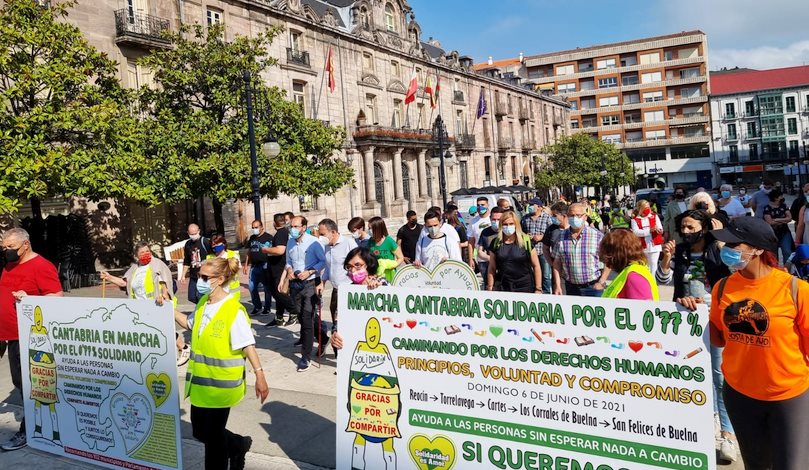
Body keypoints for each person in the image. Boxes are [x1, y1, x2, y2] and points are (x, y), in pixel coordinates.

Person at [676, 217, 809, 469]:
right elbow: (718, 337)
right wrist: (689, 310)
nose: (726, 250)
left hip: (788, 398)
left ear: (758, 249)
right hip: (740, 396)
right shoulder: (722, 288)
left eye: (734, 245)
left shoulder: (795, 289)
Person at [172, 257, 268, 470]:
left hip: (222, 385)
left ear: (221, 279)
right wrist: (169, 308)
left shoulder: (233, 310)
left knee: (213, 442)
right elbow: (189, 323)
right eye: (199, 276)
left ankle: (229, 452)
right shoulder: (203, 303)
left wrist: (260, 375)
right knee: (200, 432)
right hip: (201, 385)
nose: (200, 280)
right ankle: (236, 444)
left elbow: (247, 345)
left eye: (205, 277)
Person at [656, 209, 736, 462]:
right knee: (696, 376)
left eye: (692, 227)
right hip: (687, 322)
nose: (687, 232)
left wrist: (707, 301)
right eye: (684, 228)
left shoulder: (719, 250)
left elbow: (736, 279)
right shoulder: (679, 251)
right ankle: (707, 427)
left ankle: (727, 434)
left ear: (704, 227)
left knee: (720, 376)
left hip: (717, 320)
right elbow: (663, 280)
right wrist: (666, 259)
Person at [0, 228, 63, 451]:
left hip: (24, 337)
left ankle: (28, 431)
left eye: (10, 248)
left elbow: (55, 297)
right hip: (4, 333)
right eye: (4, 247)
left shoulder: (41, 266)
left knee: (26, 385)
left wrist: (30, 300)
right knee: (21, 383)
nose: (6, 251)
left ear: (25, 245)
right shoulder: (9, 264)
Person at [100, 242, 187, 365]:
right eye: (142, 252)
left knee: (163, 331)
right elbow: (124, 283)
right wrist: (109, 277)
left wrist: (164, 295)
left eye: (148, 251)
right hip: (139, 307)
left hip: (157, 304)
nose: (146, 254)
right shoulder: (135, 267)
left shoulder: (157, 264)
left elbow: (165, 282)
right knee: (149, 333)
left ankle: (183, 348)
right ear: (137, 256)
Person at [285, 215, 329, 371]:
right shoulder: (290, 242)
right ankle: (323, 338)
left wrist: (309, 271)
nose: (293, 229)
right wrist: (289, 270)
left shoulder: (313, 242)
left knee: (306, 318)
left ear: (304, 227)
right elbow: (288, 261)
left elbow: (322, 261)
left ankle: (305, 356)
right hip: (295, 283)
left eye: (296, 226)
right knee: (302, 315)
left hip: (310, 283)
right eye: (291, 226)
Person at [552, 203, 610, 297]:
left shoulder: (597, 236)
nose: (575, 218)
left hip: (593, 288)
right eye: (572, 215)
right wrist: (557, 285)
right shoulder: (561, 237)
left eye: (578, 215)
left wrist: (602, 281)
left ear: (585, 217)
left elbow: (609, 261)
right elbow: (556, 263)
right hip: (571, 288)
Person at [317, 218, 357, 342]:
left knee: (343, 326)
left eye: (322, 234)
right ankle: (338, 354)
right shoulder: (327, 247)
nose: (320, 237)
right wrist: (322, 282)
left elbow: (359, 264)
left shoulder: (349, 243)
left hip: (350, 289)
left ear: (333, 232)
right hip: (335, 290)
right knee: (336, 323)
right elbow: (329, 268)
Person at [486, 210, 542, 293]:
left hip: (525, 287)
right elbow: (492, 267)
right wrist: (490, 286)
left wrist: (538, 289)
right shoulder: (496, 243)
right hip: (504, 287)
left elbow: (536, 266)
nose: (508, 226)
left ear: (516, 225)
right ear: (501, 225)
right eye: (505, 224)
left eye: (511, 224)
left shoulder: (526, 241)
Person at [599, 229, 658, 300]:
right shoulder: (631, 272)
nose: (605, 258)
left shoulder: (633, 277)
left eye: (607, 252)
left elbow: (643, 308)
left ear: (616, 254)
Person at [265, 213, 295, 326]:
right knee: (277, 292)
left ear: (274, 223)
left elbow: (280, 250)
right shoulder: (282, 233)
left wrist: (266, 250)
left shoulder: (281, 233)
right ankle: (279, 316)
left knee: (279, 292)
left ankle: (294, 311)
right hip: (275, 267)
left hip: (279, 267)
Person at [521, 197, 552, 293]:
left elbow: (551, 232)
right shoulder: (525, 218)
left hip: (543, 251)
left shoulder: (546, 218)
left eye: (531, 205)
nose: (529, 207)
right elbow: (521, 232)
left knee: (546, 275)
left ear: (538, 207)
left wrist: (542, 237)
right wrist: (526, 236)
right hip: (530, 251)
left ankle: (547, 294)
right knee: (533, 273)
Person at [243, 220, 273, 317]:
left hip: (265, 265)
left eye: (256, 227)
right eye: (253, 227)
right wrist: (246, 264)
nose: (254, 229)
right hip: (254, 266)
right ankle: (257, 306)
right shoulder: (252, 238)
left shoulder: (268, 237)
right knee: (252, 287)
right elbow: (249, 252)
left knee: (267, 288)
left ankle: (267, 308)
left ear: (261, 227)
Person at [630, 199, 664, 272]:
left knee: (654, 266)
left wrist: (659, 230)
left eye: (648, 207)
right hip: (643, 246)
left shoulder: (654, 216)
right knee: (645, 267)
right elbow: (636, 232)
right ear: (640, 208)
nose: (647, 209)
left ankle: (652, 282)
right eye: (645, 208)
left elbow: (660, 228)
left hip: (655, 246)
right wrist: (649, 231)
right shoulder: (635, 220)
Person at [183, 224, 212, 304]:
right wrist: (183, 275)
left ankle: (204, 309)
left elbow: (212, 255)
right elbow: (186, 260)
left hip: (204, 275)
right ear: (188, 233)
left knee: (201, 295)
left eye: (195, 233)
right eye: (191, 234)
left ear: (199, 231)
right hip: (193, 275)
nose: (193, 236)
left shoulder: (204, 241)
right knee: (191, 296)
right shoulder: (188, 244)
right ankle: (202, 306)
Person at [367, 216, 404, 281]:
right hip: (375, 276)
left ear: (377, 229)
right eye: (368, 228)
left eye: (370, 228)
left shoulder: (389, 241)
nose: (369, 231)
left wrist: (390, 265)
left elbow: (400, 258)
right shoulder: (370, 241)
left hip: (389, 276)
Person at [762, 188, 793, 263]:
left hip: (784, 232)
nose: (782, 197)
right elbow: (769, 222)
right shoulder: (767, 208)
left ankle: (787, 271)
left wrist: (776, 220)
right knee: (773, 255)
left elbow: (789, 218)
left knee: (787, 251)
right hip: (772, 234)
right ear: (775, 198)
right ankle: (776, 271)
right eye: (780, 196)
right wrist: (783, 220)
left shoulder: (784, 206)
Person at [477, 207, 504, 289]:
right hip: (490, 268)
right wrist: (490, 258)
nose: (496, 222)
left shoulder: (506, 231)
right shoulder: (485, 232)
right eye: (494, 219)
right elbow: (480, 251)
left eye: (499, 219)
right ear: (490, 218)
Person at [468, 196, 492, 272]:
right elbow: (471, 242)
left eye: (482, 205)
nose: (480, 207)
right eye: (478, 205)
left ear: (488, 205)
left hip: (494, 257)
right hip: (481, 260)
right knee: (486, 282)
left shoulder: (493, 218)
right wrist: (470, 259)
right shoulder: (473, 222)